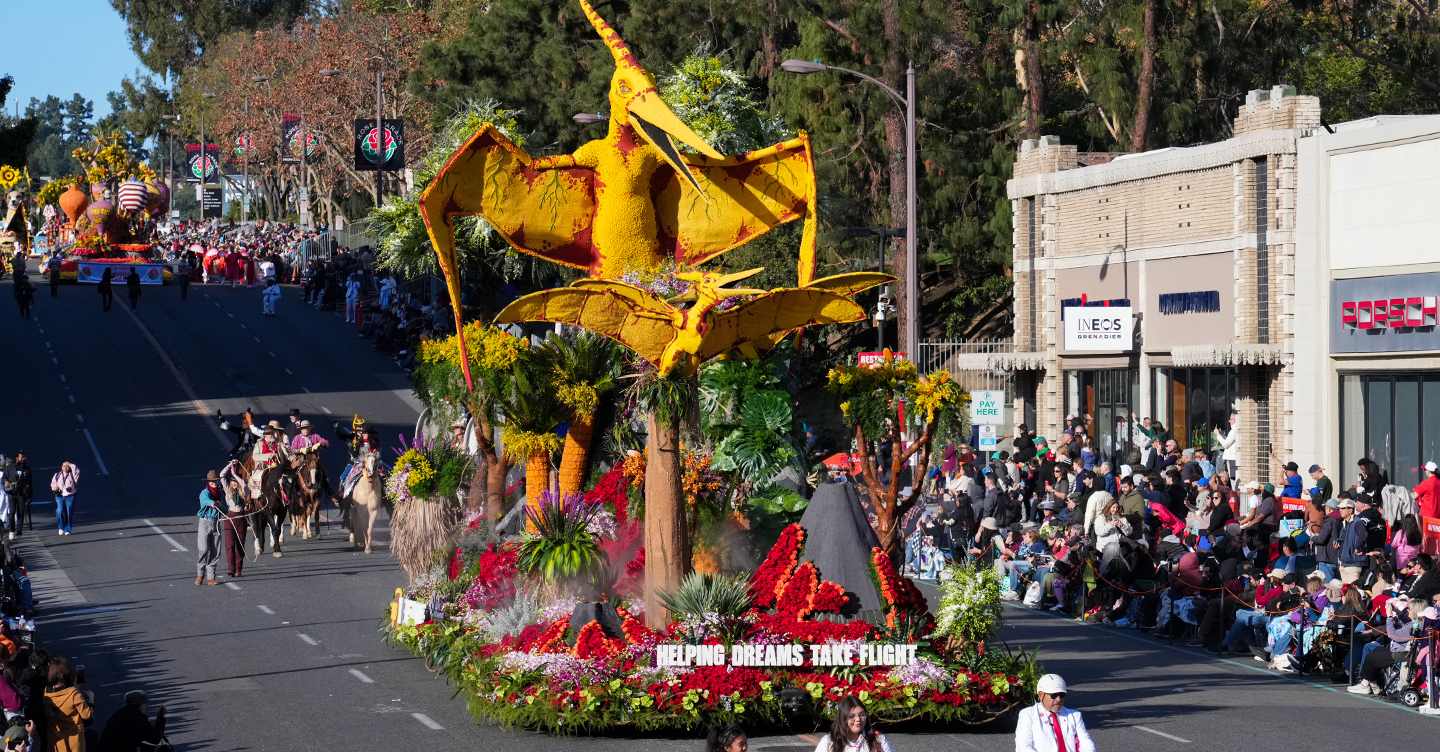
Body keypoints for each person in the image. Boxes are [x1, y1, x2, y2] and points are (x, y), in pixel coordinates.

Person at [1015, 673, 1094, 752]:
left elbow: (1086, 743)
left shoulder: (1075, 716)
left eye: (1062, 695)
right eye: (1054, 695)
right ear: (1041, 695)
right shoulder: (1028, 714)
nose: (1059, 699)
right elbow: (1023, 746)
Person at [43, 658, 92, 752]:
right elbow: (87, 715)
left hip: (55, 741)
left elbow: (61, 693)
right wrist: (91, 701)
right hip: (74, 742)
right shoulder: (74, 694)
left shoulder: (46, 693)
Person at [812, 695, 893, 752]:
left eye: (861, 714)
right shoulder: (829, 742)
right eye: (851, 716)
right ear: (842, 718)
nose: (858, 719)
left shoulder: (878, 740)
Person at [95, 690, 166, 752]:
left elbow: (131, 743)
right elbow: (155, 738)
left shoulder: (118, 714)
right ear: (141, 705)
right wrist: (161, 718)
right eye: (146, 704)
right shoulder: (137, 717)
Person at [196, 472, 224, 585]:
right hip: (205, 522)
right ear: (208, 482)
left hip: (216, 522)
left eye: (216, 481)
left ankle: (211, 576)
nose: (214, 483)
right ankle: (200, 574)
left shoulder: (220, 494)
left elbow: (225, 508)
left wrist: (222, 506)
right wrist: (212, 503)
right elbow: (204, 500)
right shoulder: (205, 493)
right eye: (212, 481)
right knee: (203, 549)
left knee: (216, 550)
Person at [1, 452, 31, 539]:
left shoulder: (26, 469)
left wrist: (29, 496)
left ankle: (19, 532)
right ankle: (11, 530)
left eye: (24, 457)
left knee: (20, 513)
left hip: (22, 494)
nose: (24, 459)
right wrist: (5, 482)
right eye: (22, 457)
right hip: (12, 493)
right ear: (17, 458)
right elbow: (4, 477)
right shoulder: (9, 468)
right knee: (12, 512)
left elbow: (30, 483)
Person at [48, 462, 78, 536]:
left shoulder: (72, 475)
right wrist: (55, 488)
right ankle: (61, 527)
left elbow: (77, 470)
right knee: (60, 511)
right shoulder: (57, 475)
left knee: (69, 512)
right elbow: (53, 483)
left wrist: (70, 464)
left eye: (67, 467)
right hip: (60, 495)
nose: (65, 468)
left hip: (70, 496)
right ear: (61, 467)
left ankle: (68, 529)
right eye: (64, 466)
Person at [1214, 412, 1240, 480]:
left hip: (1232, 459)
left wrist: (1218, 435)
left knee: (1234, 480)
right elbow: (1229, 441)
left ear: (1235, 420)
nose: (1229, 421)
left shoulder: (1234, 430)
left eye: (1230, 419)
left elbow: (1226, 445)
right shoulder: (1235, 430)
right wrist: (1221, 435)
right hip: (1233, 458)